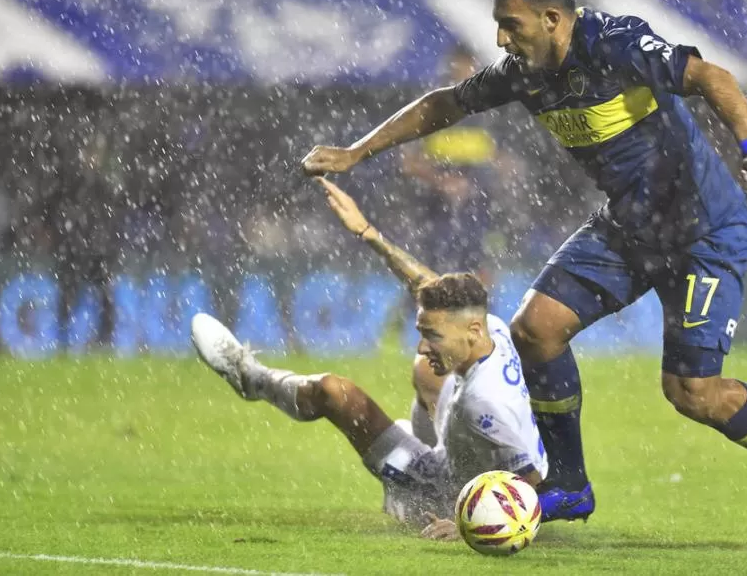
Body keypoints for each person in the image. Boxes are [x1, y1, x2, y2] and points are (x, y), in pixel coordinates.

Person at [300, 0, 747, 540]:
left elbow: (713, 77)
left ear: (552, 19)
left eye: (510, 25)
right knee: (535, 328)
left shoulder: (613, 44)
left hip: (705, 233)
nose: (500, 39)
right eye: (498, 26)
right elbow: (443, 104)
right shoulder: (524, 72)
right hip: (628, 228)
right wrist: (355, 152)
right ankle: (570, 483)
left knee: (691, 394)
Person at [190, 177, 547, 539]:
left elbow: (532, 483)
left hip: (448, 490)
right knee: (426, 370)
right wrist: (368, 232)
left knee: (334, 392)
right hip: (469, 452)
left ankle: (252, 378)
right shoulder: (492, 328)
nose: (423, 344)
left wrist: (467, 524)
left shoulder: (483, 405)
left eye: (432, 336)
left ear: (470, 330)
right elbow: (423, 282)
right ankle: (424, 443)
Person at [402, 44, 499, 283]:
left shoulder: (486, 110)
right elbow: (408, 162)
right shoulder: (430, 106)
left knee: (479, 271)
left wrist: (502, 170)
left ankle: (481, 311)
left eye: (470, 67)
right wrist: (441, 181)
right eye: (460, 67)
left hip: (478, 207)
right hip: (438, 210)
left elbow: (497, 157)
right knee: (434, 272)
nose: (465, 72)